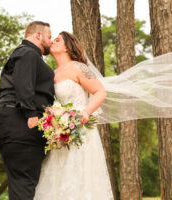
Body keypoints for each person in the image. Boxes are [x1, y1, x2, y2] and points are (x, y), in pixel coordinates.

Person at [33, 32, 114, 200]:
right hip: (60, 136)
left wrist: (85, 112)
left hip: (81, 132)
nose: (53, 42)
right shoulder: (52, 74)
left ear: (67, 47)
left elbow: (100, 92)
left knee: (81, 180)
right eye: (53, 40)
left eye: (57, 40)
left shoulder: (78, 68)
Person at [0, 21, 55, 200]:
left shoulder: (25, 54)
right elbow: (23, 84)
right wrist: (31, 114)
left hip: (9, 121)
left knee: (20, 184)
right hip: (21, 122)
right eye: (49, 37)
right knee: (25, 186)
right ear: (38, 35)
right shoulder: (28, 52)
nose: (51, 41)